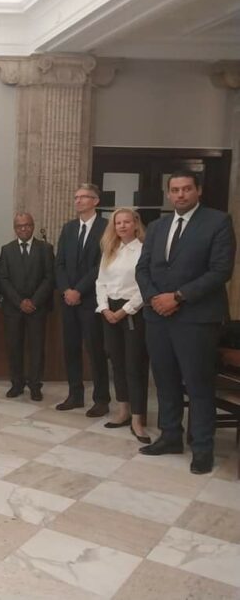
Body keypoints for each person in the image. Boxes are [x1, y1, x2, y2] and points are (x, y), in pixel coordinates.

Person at [136, 170, 236, 474]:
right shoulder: (157, 226)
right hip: (157, 317)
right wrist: (155, 298)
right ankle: (170, 436)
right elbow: (143, 268)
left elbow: (220, 271)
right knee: (164, 380)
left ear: (198, 191)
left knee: (198, 384)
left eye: (186, 189)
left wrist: (178, 297)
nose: (180, 194)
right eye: (175, 190)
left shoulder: (218, 222)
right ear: (168, 194)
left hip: (196, 319)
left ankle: (203, 448)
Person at [55, 183, 110, 417]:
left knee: (95, 350)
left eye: (83, 197)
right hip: (68, 301)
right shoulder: (69, 228)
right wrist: (66, 290)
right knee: (71, 348)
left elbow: (102, 264)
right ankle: (75, 395)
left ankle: (101, 399)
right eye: (76, 197)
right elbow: (59, 263)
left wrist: (79, 290)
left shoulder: (106, 227)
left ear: (96, 201)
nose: (78, 200)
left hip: (91, 300)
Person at [96, 208, 149, 443]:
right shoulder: (110, 249)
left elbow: (145, 286)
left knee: (133, 365)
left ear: (136, 224)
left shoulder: (143, 250)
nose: (122, 226)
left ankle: (138, 419)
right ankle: (123, 411)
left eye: (127, 222)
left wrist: (124, 311)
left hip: (132, 311)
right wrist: (104, 308)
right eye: (118, 223)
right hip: (110, 311)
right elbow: (101, 282)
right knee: (117, 364)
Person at [0, 213, 55, 401]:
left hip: (37, 308)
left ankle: (35, 385)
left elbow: (49, 278)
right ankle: (17, 384)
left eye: (27, 225)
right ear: (15, 228)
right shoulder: (7, 250)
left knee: (37, 348)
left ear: (33, 226)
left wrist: (34, 301)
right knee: (14, 347)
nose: (23, 229)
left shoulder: (45, 248)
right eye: (19, 226)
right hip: (13, 309)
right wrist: (19, 302)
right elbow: (3, 279)